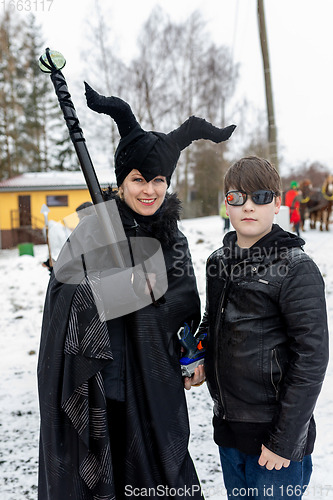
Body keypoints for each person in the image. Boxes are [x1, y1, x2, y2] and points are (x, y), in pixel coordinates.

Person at [37, 83, 236, 500]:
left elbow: (183, 307)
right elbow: (61, 297)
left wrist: (191, 352)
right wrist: (115, 289)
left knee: (165, 476)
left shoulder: (173, 238)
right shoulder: (95, 230)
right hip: (104, 386)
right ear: (122, 181)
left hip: (157, 386)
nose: (149, 190)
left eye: (158, 180)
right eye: (138, 179)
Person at [198, 156, 328, 499]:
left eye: (260, 196)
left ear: (278, 204)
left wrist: (283, 441)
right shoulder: (218, 261)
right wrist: (199, 356)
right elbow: (211, 322)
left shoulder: (296, 268)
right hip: (228, 431)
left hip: (274, 441)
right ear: (226, 204)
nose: (248, 206)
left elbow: (312, 359)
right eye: (236, 197)